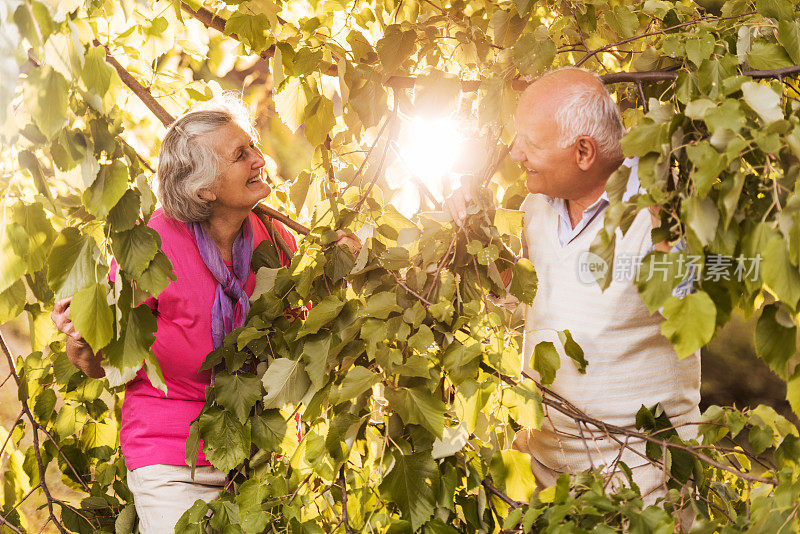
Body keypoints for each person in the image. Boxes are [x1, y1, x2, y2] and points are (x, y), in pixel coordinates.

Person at [51, 98, 360, 533]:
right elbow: (102, 362)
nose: (260, 159)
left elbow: (305, 329)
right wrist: (81, 338)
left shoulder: (272, 237)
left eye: (253, 146)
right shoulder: (151, 246)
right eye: (241, 155)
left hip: (252, 453)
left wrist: (339, 272)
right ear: (205, 190)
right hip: (170, 454)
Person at [446, 68, 700, 508]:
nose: (515, 152)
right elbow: (527, 293)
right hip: (543, 474)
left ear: (584, 152)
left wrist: (666, 224)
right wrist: (478, 238)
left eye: (530, 142)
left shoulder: (663, 209)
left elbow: (689, 309)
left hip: (638, 488)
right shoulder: (537, 208)